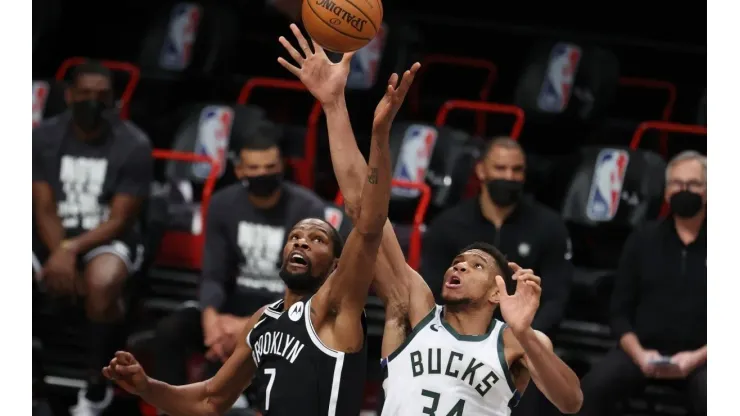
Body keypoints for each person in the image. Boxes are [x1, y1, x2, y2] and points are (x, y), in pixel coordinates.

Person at [102, 28, 414, 415]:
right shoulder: (262, 322)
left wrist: (373, 132)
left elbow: (368, 221)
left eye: (317, 238)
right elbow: (210, 399)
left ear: (337, 265)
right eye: (297, 236)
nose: (301, 241)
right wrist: (147, 387)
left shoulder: (337, 304)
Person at [280, 24, 583, 415]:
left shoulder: (515, 341)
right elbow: (363, 207)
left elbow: (572, 401)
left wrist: (524, 330)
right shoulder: (416, 307)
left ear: (497, 293)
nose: (459, 266)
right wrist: (335, 107)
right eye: (459, 261)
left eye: (476, 266)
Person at [150, 122, 351, 398]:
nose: (262, 174)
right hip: (228, 314)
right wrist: (212, 321)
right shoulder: (222, 204)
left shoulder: (307, 208)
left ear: (282, 166)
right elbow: (213, 274)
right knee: (169, 331)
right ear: (239, 170)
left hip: (282, 313)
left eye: (269, 167)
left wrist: (246, 326)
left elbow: (306, 288)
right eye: (254, 168)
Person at [32, 60, 153, 416]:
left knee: (102, 281)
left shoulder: (133, 144)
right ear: (68, 96)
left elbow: (119, 219)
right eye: (84, 94)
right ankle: (30, 385)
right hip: (50, 235)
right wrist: (60, 253)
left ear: (114, 100)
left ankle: (95, 386)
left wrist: (69, 251)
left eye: (102, 96)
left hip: (106, 238)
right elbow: (43, 207)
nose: (92, 102)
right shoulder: (43, 137)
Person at [421, 137, 574, 415]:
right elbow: (430, 289)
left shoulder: (549, 226)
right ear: (481, 171)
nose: (509, 177)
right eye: (501, 168)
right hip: (453, 335)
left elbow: (556, 297)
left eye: (517, 170)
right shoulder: (449, 224)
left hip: (519, 338)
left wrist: (519, 335)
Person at [578, 150, 707, 416]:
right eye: (677, 184)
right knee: (589, 390)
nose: (685, 190)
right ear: (667, 191)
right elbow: (619, 310)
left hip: (704, 358)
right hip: (641, 353)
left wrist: (698, 357)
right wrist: (640, 355)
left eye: (694, 184)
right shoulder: (643, 239)